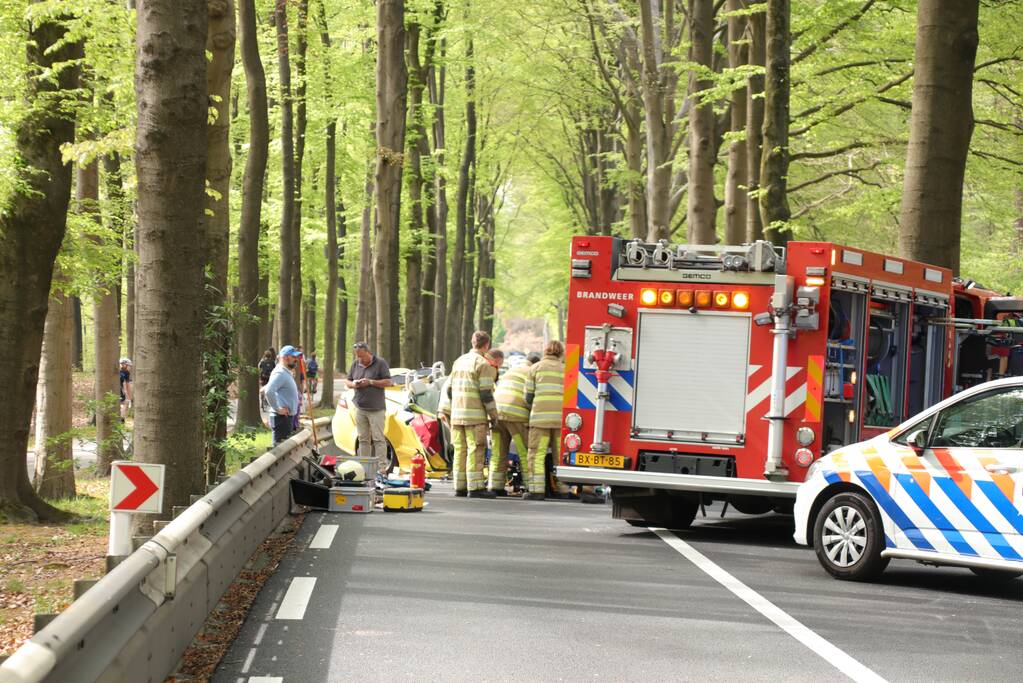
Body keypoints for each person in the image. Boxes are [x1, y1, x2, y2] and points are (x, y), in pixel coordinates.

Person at [443, 331, 499, 499]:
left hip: (457, 415)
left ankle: (459, 486)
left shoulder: (459, 361)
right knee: (475, 449)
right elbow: (486, 394)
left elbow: (449, 389)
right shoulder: (483, 364)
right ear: (486, 345)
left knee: (460, 450)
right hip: (474, 417)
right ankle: (475, 487)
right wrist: (494, 415)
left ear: (472, 342)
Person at [523, 341, 566, 500]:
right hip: (561, 421)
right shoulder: (566, 369)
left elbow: (528, 397)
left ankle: (536, 490)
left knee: (537, 454)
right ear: (561, 352)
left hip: (540, 420)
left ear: (545, 351)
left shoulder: (535, 368)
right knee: (561, 455)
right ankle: (564, 490)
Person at [488, 350, 533, 495]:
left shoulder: (511, 371)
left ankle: (495, 486)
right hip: (516, 415)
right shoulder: (532, 372)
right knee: (524, 451)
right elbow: (531, 397)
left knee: (498, 451)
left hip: (497, 413)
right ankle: (529, 487)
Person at [346, 342, 393, 475]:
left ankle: (382, 468)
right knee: (363, 439)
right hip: (360, 408)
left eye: (361, 356)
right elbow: (347, 381)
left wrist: (371, 382)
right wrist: (354, 384)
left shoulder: (380, 363)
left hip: (376, 408)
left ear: (368, 352)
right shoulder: (355, 364)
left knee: (378, 439)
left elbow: (389, 382)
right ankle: (364, 467)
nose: (360, 359)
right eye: (357, 356)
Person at [264, 345, 302, 445]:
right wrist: (278, 409)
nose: (296, 359)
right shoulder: (280, 373)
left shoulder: (285, 372)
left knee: (283, 450)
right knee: (279, 451)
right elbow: (269, 391)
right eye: (293, 357)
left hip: (285, 419)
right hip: (281, 419)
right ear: (285, 357)